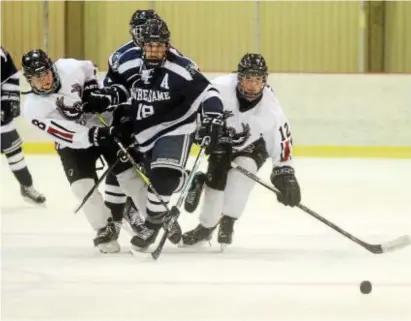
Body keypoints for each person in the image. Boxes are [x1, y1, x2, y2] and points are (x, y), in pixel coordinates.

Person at [84, 19, 226, 250]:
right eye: (150, 46)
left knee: (164, 177)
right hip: (143, 132)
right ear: (142, 46)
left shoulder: (181, 67)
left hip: (175, 127)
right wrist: (120, 115)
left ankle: (151, 224)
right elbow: (121, 91)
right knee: (149, 177)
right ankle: (189, 181)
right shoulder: (129, 65)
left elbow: (208, 92)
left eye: (160, 46)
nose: (155, 51)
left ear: (167, 45)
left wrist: (212, 117)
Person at [182, 53, 302, 248]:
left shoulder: (271, 109)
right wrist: (201, 130)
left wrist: (285, 173)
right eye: (248, 79)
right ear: (238, 77)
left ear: (264, 80)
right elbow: (195, 109)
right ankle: (206, 225)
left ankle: (228, 221)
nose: (252, 85)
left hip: (253, 145)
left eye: (258, 80)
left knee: (243, 173)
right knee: (216, 180)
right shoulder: (219, 88)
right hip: (222, 141)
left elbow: (283, 142)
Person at [21, 49, 134, 253]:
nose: (44, 82)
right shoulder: (33, 109)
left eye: (45, 74)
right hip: (72, 141)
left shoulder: (69, 67)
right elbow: (64, 133)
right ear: (29, 80)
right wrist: (92, 136)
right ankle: (104, 227)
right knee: (81, 187)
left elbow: (89, 67)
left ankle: (134, 210)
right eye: (37, 79)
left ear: (52, 69)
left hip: (97, 121)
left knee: (128, 172)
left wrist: (91, 90)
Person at [1, 47, 46, 204]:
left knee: (15, 153)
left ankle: (27, 186)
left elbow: (11, 76)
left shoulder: (2, 55)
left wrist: (10, 100)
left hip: (1, 119)